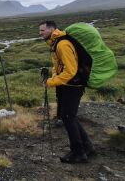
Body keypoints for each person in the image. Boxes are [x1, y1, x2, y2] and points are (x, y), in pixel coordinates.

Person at [39, 20, 96, 163]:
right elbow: (58, 66)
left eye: (42, 30)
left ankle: (78, 153)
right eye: (40, 31)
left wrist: (51, 82)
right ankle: (88, 147)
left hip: (73, 85)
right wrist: (54, 78)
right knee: (70, 116)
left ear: (52, 29)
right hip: (68, 85)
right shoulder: (55, 43)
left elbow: (70, 71)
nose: (40, 34)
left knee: (68, 117)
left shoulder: (62, 44)